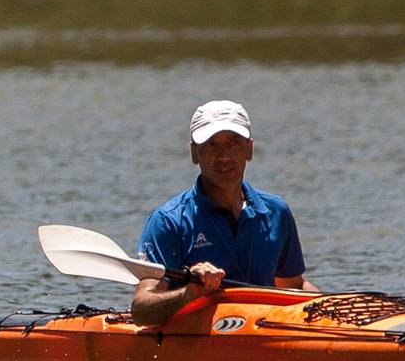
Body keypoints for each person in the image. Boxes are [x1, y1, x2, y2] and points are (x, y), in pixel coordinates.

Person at [131, 100, 317, 326]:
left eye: (234, 143)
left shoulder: (277, 212)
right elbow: (141, 310)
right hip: (197, 341)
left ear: (249, 149)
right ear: (194, 153)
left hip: (264, 334)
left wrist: (334, 305)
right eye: (211, 145)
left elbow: (293, 287)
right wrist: (189, 293)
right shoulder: (168, 221)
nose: (224, 157)